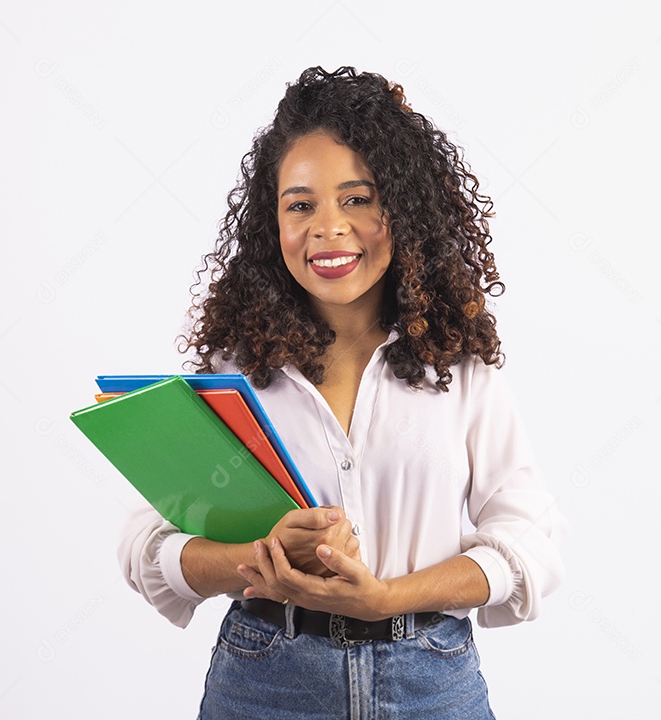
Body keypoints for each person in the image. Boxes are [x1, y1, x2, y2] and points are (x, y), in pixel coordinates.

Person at [117, 66, 568, 719]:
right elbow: (148, 545)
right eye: (301, 205)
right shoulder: (234, 371)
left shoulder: (458, 369)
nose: (328, 228)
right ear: (272, 224)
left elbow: (531, 542)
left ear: (403, 210)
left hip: (429, 682)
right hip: (266, 682)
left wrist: (386, 598)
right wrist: (261, 556)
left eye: (357, 198)